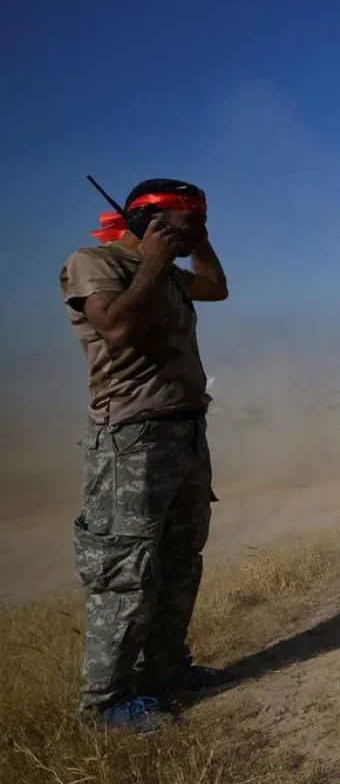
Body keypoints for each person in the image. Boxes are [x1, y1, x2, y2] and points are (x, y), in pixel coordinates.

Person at [59, 178, 231, 731]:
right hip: (131, 439)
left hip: (185, 432)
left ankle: (164, 672)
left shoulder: (173, 271)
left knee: (182, 558)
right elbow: (119, 328)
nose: (188, 238)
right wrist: (155, 263)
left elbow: (215, 287)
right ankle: (107, 702)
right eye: (183, 225)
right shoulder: (95, 263)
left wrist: (199, 242)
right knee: (124, 570)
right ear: (149, 224)